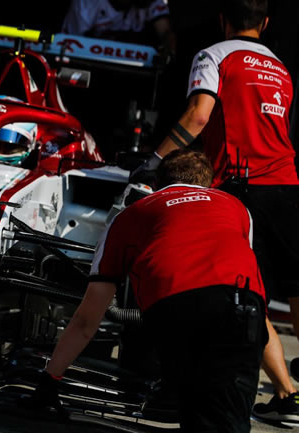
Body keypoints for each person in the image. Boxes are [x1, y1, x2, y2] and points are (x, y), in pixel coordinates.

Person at [130, 0, 299, 421]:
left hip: (243, 191)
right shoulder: (281, 67)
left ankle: (285, 393)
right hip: (289, 185)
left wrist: (153, 159)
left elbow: (199, 115)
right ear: (265, 21)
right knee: (295, 289)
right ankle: (287, 392)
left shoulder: (214, 53)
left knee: (244, 297)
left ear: (224, 20)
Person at [32, 149, 267, 432]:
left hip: (178, 305)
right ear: (210, 184)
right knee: (230, 419)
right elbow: (249, 275)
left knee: (201, 415)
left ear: (156, 184)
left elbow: (87, 318)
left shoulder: (131, 215)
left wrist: (50, 380)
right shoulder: (237, 207)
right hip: (244, 307)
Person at [61, 0, 176, 56]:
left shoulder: (150, 2)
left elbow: (165, 33)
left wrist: (168, 48)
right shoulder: (87, 4)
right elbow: (66, 44)